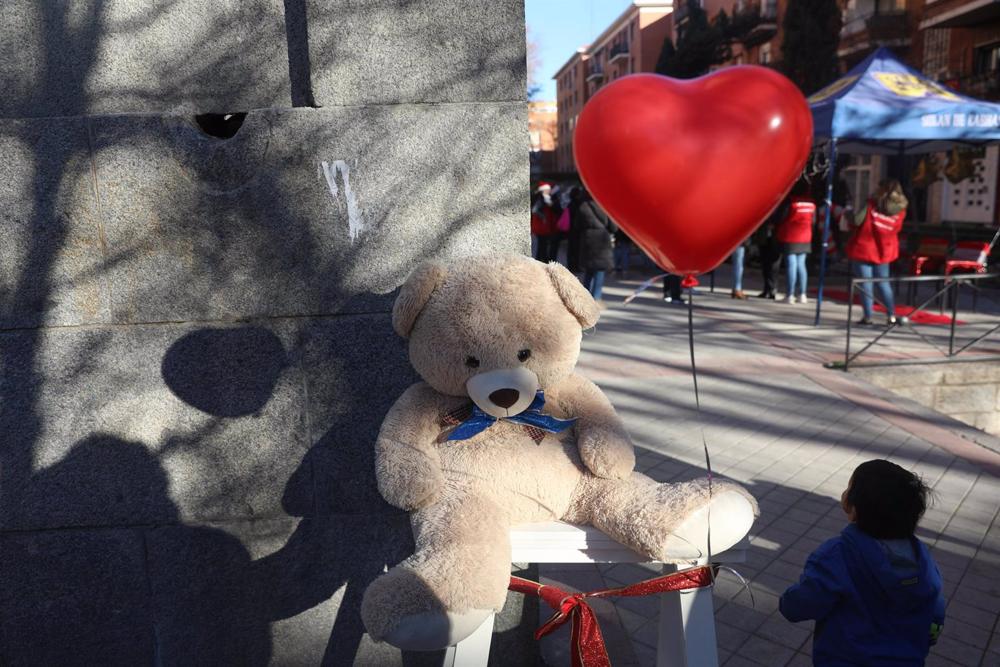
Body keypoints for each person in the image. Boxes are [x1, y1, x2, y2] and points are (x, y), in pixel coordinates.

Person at [780, 459, 945, 666]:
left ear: (853, 508)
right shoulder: (922, 558)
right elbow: (935, 605)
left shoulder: (837, 556)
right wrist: (929, 635)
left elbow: (804, 601)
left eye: (849, 487)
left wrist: (788, 602)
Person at [846, 179, 908, 326]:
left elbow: (856, 220)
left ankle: (868, 317)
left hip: (864, 248)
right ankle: (891, 316)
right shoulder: (900, 211)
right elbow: (897, 230)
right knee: (883, 283)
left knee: (866, 284)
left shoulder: (871, 204)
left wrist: (848, 212)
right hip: (884, 250)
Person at [776, 180, 816, 304]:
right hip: (805, 237)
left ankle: (790, 294)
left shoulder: (791, 203)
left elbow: (780, 217)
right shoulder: (811, 204)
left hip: (791, 236)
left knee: (791, 265)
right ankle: (802, 294)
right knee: (801, 265)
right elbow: (814, 221)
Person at [574, 188, 617, 302]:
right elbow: (613, 227)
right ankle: (596, 297)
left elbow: (576, 225)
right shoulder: (604, 206)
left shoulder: (583, 206)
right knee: (600, 269)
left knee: (589, 270)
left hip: (587, 238)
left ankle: (585, 295)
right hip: (602, 238)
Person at [531, 182, 561, 263]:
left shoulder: (545, 198)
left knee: (542, 245)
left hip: (544, 226)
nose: (549, 190)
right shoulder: (541, 198)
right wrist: (543, 217)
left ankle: (542, 261)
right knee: (542, 245)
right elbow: (535, 210)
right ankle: (541, 261)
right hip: (541, 226)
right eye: (548, 189)